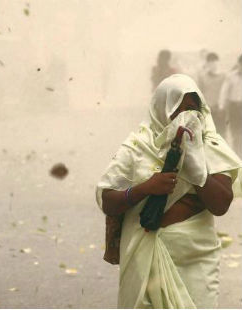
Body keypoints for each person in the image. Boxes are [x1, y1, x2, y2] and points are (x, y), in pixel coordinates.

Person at [96, 74, 241, 308]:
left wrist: (196, 169)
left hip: (197, 260)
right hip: (145, 258)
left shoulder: (211, 144)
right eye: (177, 110)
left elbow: (221, 204)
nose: (186, 117)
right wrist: (146, 188)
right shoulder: (138, 146)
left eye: (193, 109)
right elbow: (108, 200)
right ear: (161, 110)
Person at [219, 54, 242, 157]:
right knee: (235, 133)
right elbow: (224, 92)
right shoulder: (231, 76)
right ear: (238, 64)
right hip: (234, 108)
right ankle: (237, 155)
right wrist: (221, 106)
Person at [197, 52, 225, 136]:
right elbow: (199, 93)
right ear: (207, 64)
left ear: (218, 63)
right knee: (208, 134)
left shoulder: (224, 76)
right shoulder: (202, 77)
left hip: (220, 109)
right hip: (207, 109)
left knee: (221, 134)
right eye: (210, 62)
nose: (213, 65)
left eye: (215, 62)